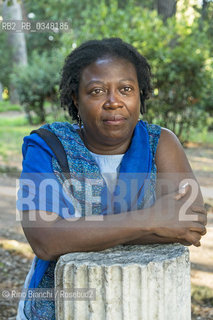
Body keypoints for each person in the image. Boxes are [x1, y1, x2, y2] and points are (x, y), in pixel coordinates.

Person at [16, 38, 207, 320]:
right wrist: (152, 219)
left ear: (140, 95)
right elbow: (46, 240)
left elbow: (189, 226)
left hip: (146, 306)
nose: (114, 101)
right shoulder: (48, 146)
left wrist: (75, 232)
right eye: (97, 91)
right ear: (75, 98)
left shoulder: (160, 144)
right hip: (61, 308)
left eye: (126, 89)